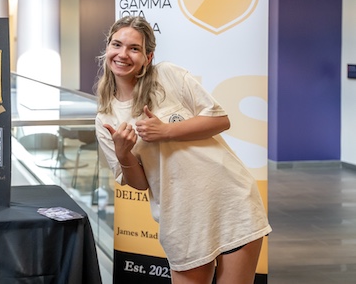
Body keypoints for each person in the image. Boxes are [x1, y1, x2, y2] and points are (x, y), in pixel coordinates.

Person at [94, 16, 271, 284]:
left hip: (231, 200)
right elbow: (139, 184)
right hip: (181, 216)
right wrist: (123, 153)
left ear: (148, 56)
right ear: (107, 48)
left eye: (134, 48)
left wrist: (165, 131)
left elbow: (220, 120)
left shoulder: (168, 76)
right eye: (117, 45)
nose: (123, 54)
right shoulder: (105, 117)